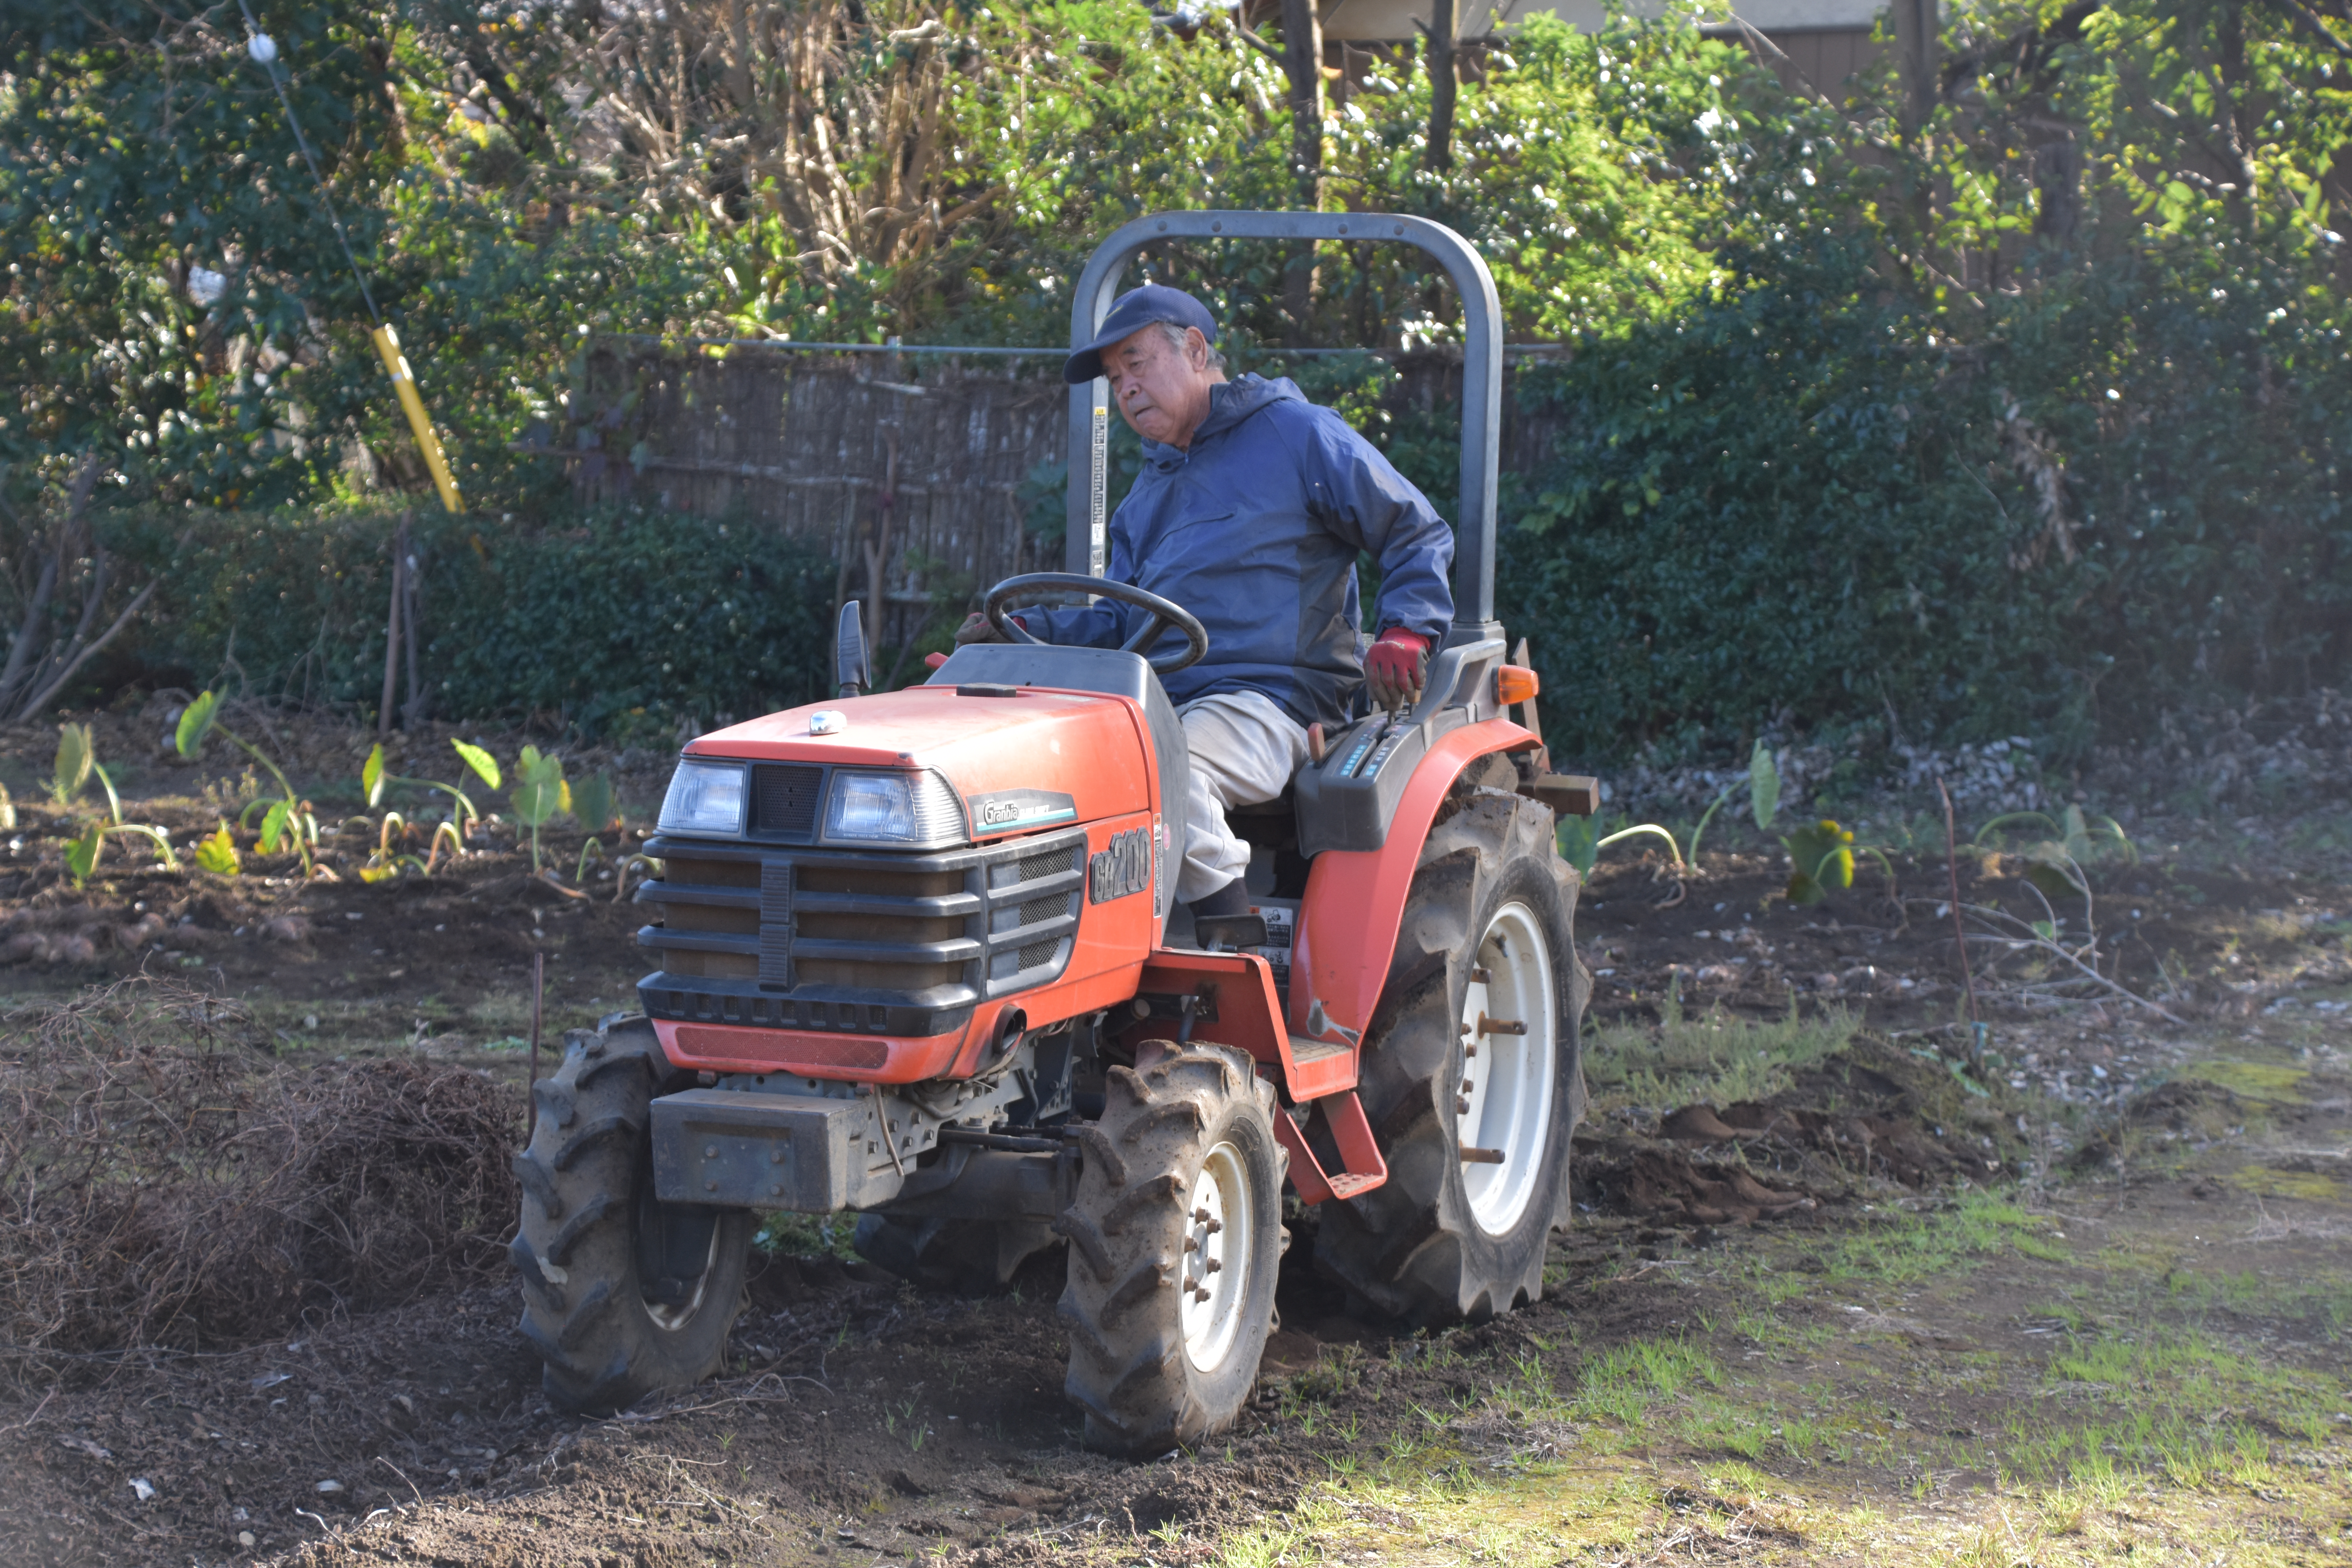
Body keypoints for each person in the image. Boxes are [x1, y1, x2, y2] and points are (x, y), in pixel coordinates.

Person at [958, 284, 1455, 922]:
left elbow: (1414, 527)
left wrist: (1408, 628)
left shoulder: (1295, 435)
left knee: (1164, 768)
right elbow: (1119, 622)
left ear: (1194, 350)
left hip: (1272, 698)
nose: (1126, 388)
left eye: (1136, 364)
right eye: (1114, 378)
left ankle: (1232, 941)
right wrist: (1023, 632)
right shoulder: (1148, 492)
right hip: (1159, 699)